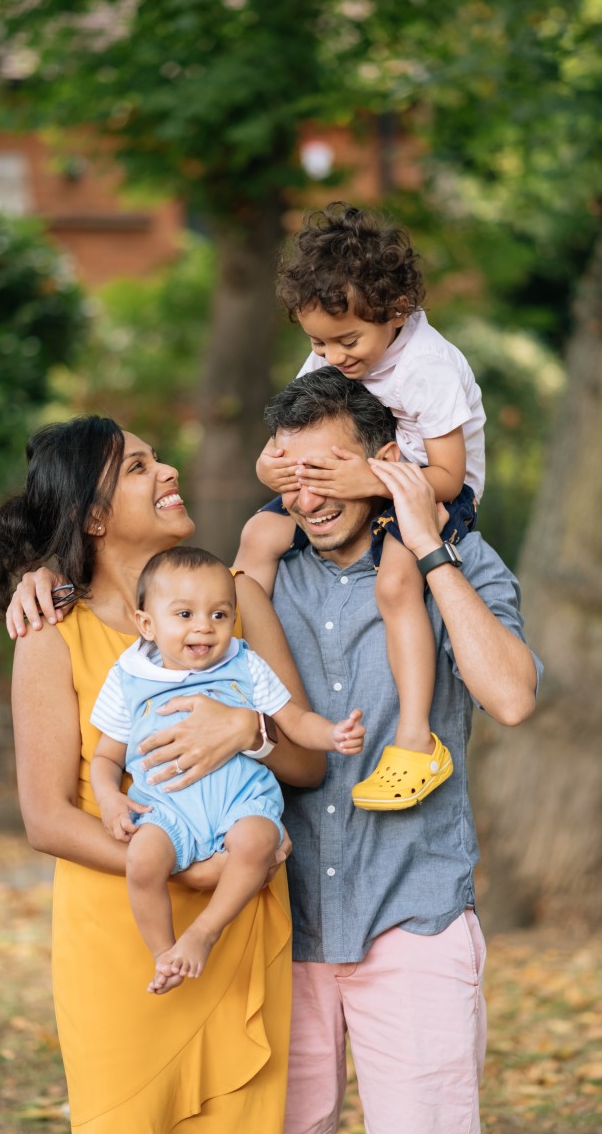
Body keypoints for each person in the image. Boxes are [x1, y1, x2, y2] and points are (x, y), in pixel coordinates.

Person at [0, 416, 328, 1134]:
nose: (168, 471)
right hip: (120, 943)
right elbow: (47, 817)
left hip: (238, 927)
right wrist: (186, 875)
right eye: (138, 468)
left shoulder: (235, 603)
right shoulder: (51, 634)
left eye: (157, 458)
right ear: (95, 518)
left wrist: (248, 731)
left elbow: (309, 762)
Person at [255, 368, 540, 1134]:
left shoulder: (461, 564)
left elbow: (512, 697)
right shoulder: (259, 574)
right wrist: (43, 574)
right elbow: (137, 612)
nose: (306, 499)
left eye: (327, 475)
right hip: (278, 928)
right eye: (291, 477)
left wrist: (427, 546)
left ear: (386, 463)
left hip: (413, 919)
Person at [235, 202, 486, 812]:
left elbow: (449, 477)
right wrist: (271, 467)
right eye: (318, 341)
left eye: (348, 340)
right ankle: (241, 674)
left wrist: (367, 481)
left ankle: (414, 738)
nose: (334, 356)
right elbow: (285, 437)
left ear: (395, 311)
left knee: (399, 582)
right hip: (349, 475)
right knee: (256, 536)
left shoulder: (429, 367)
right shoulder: (329, 354)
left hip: (419, 488)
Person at [89, 544, 364, 995]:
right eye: (184, 615)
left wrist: (332, 735)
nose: (204, 626)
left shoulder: (244, 665)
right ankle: (163, 954)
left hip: (239, 802)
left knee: (258, 840)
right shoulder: (129, 676)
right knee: (141, 861)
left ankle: (204, 932)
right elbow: (106, 757)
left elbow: (293, 720)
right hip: (166, 810)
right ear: (146, 624)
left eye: (220, 615)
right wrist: (108, 797)